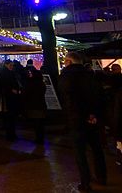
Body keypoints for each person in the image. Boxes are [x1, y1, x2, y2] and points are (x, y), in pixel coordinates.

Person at [59, 52, 106, 191]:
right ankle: (102, 176)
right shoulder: (91, 75)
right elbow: (99, 96)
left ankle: (85, 181)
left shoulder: (66, 76)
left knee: (80, 152)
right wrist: (93, 114)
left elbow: (68, 100)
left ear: (69, 62)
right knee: (97, 149)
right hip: (92, 118)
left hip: (76, 119)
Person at [23, 67, 46, 143]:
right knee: (40, 123)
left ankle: (38, 138)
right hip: (41, 104)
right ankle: (41, 137)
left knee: (36, 123)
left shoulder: (30, 83)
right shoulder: (41, 83)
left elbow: (26, 94)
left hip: (33, 105)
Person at [0, 60, 22, 140]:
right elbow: (4, 84)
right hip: (9, 96)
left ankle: (11, 133)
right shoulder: (6, 73)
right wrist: (12, 90)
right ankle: (10, 134)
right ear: (6, 65)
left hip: (10, 96)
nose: (12, 66)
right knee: (10, 116)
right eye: (10, 65)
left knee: (10, 116)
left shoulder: (7, 72)